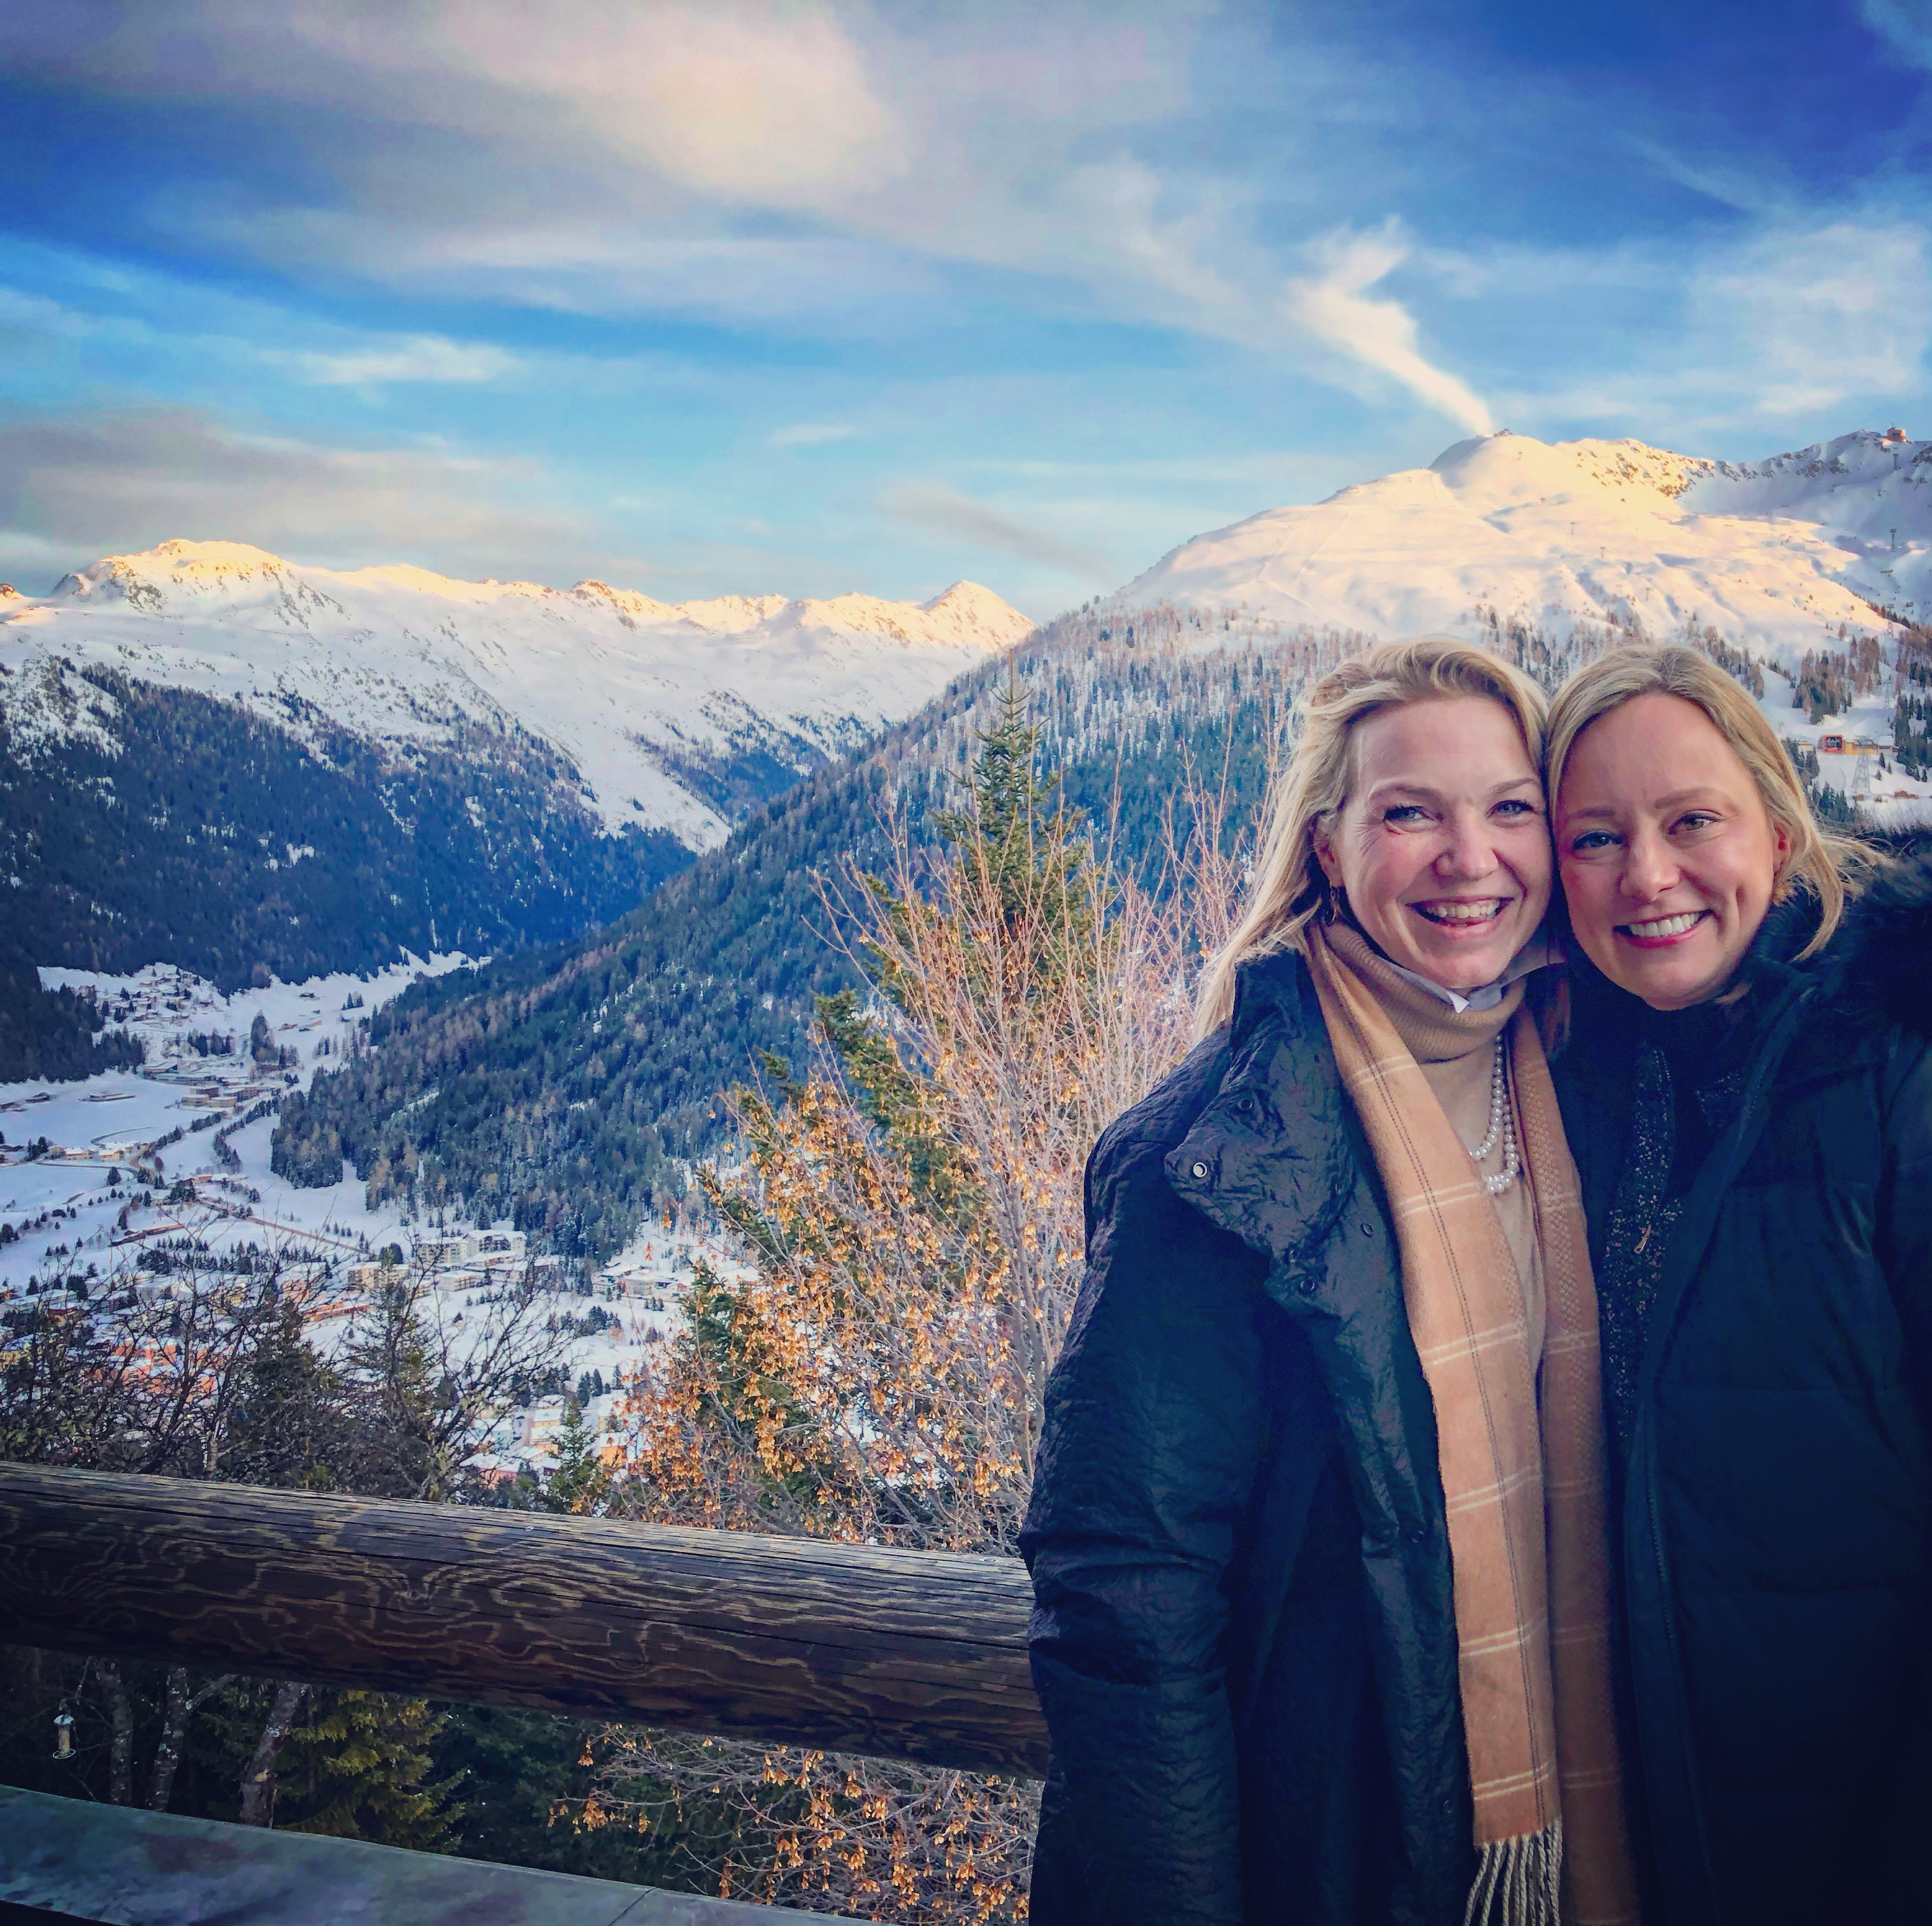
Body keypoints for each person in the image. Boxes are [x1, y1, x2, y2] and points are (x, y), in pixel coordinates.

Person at [1023, 637, 1640, 1926]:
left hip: (1603, 1807)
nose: (1469, 858)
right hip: (1332, 1845)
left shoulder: (1593, 1075)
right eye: (1409, 813)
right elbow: (1127, 1585)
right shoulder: (1214, 1161)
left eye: (1508, 809)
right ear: (1328, 848)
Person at [1545, 644, 1932, 1926]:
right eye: (1596, 837)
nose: (1647, 876)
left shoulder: (1894, 1074)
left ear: (1775, 828)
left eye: (1691, 821)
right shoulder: (1561, 1088)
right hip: (1648, 1841)